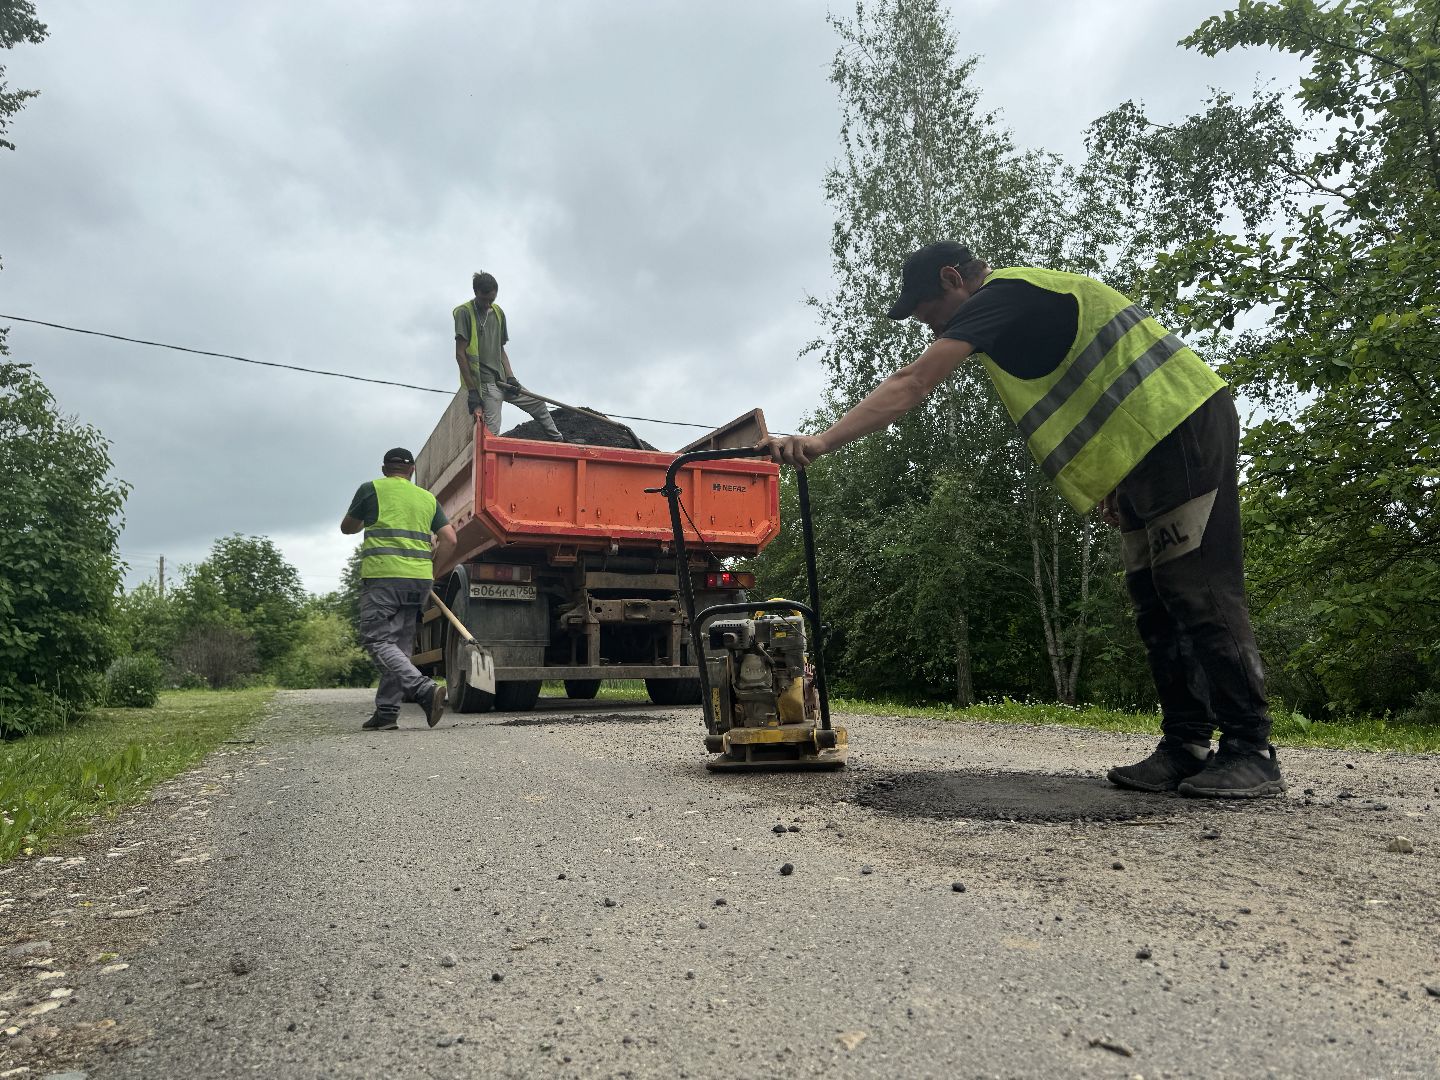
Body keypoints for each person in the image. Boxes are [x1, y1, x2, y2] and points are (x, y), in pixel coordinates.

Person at [761, 242, 1285, 799]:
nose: (930, 328)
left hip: (1180, 426)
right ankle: (1187, 744)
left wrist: (820, 441)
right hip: (1141, 451)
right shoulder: (1010, 309)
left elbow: (912, 383)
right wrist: (1114, 481)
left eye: (927, 312)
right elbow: (1094, 393)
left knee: (1194, 586)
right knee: (1155, 598)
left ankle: (1251, 748)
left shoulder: (1002, 295)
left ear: (952, 280)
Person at [341, 447, 457, 731]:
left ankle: (423, 690)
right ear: (412, 471)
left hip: (384, 578)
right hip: (418, 581)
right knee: (400, 648)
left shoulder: (371, 490)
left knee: (377, 640)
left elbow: (348, 528)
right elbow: (450, 539)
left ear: (384, 469)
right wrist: (432, 572)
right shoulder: (427, 498)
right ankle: (387, 712)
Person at [453, 271, 564, 441]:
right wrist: (473, 391)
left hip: (503, 380)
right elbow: (460, 354)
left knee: (537, 404)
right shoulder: (464, 313)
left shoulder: (498, 313)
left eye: (492, 299)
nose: (488, 303)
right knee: (491, 433)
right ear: (476, 292)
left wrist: (511, 377)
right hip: (486, 383)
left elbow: (501, 350)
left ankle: (559, 441)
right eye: (485, 299)